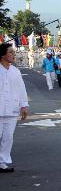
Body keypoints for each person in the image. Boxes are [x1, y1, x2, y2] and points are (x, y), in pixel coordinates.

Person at [0, 43, 29, 172]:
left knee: (8, 137)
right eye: (10, 52)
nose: (13, 54)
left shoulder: (15, 71)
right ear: (3, 55)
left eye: (13, 52)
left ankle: (3, 162)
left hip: (11, 109)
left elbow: (21, 89)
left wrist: (24, 106)